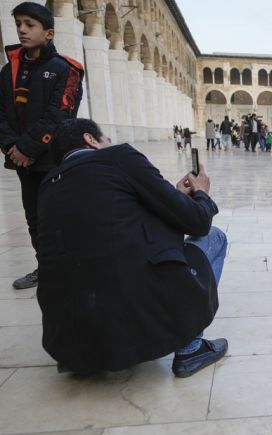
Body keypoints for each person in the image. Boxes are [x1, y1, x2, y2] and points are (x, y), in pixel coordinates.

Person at [38, 118, 228, 377]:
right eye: (105, 139)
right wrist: (202, 195)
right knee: (215, 238)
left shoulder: (48, 185)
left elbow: (116, 223)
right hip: (130, 319)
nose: (109, 143)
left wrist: (173, 196)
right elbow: (197, 222)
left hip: (70, 346)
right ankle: (191, 349)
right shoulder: (119, 157)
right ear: (90, 139)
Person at [0, 2, 84, 290]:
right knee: (34, 218)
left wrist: (26, 148)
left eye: (30, 25)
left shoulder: (66, 70)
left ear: (48, 33)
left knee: (58, 216)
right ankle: (46, 269)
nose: (22, 30)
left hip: (53, 159)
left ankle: (72, 268)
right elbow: (1, 113)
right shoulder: (7, 71)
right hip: (22, 161)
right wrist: (12, 147)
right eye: (19, 24)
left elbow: (60, 115)